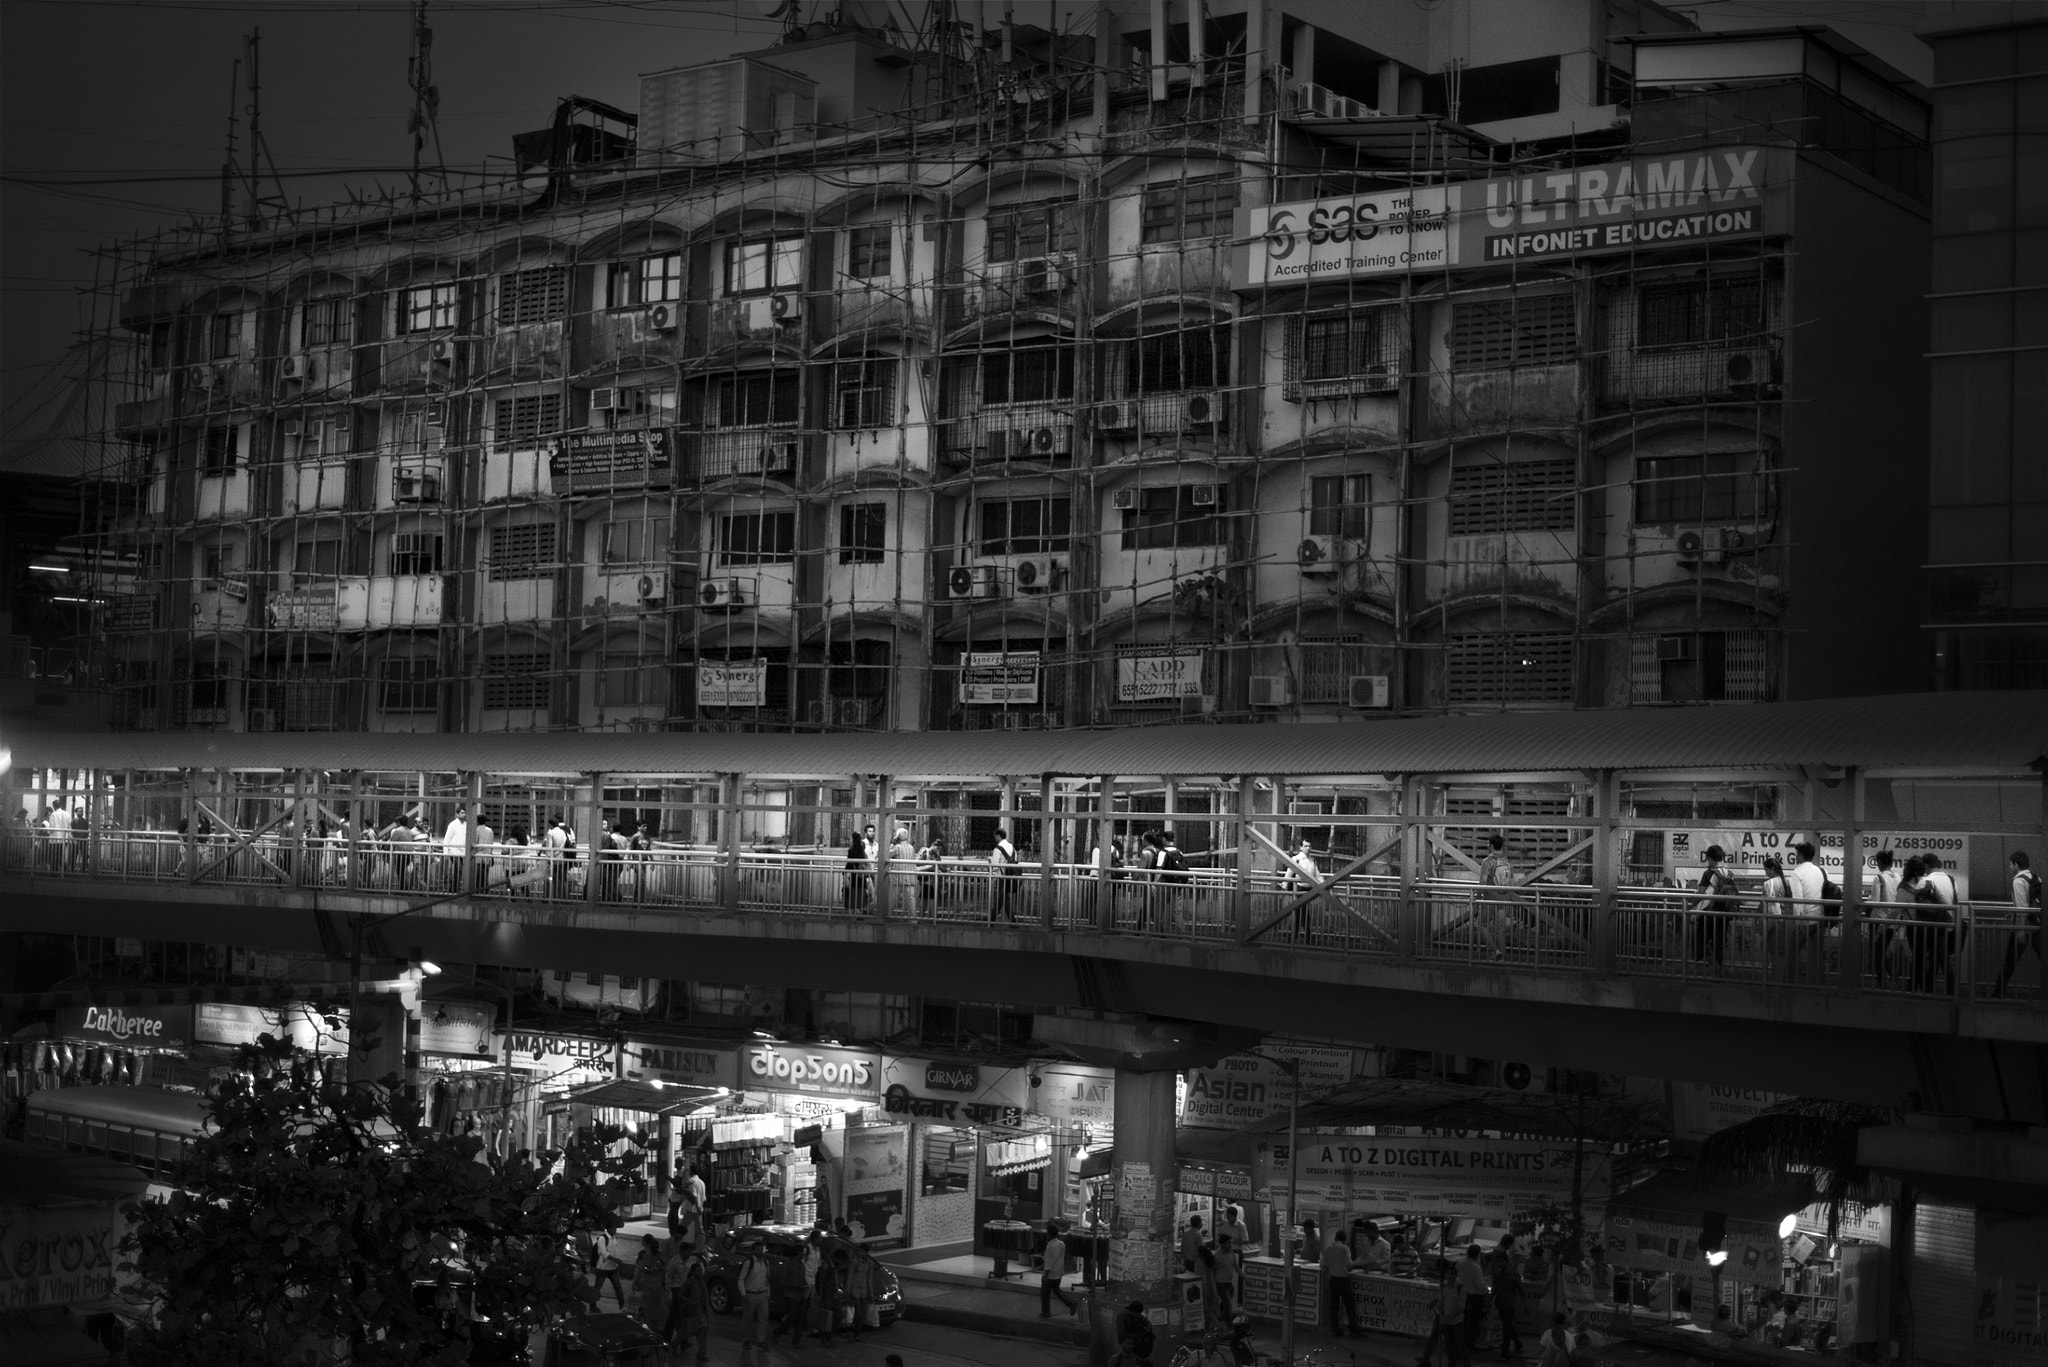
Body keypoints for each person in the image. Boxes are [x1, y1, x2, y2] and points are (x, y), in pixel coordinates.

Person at [1996, 850, 2042, 997]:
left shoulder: (2018, 880)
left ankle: (1998, 993)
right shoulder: (2036, 878)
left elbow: (2022, 907)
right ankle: (1998, 991)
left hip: (2024, 927)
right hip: (2038, 926)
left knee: (2010, 962)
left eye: (2010, 864)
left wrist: (2020, 930)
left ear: (2016, 865)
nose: (2010, 867)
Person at [1690, 845, 1736, 975]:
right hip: (1725, 912)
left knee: (1698, 941)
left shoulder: (1709, 873)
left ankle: (1713, 964)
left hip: (1710, 912)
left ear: (1709, 858)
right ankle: (1719, 968)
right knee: (1719, 941)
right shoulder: (1729, 873)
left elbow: (1700, 893)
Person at [1418, 1259, 1471, 1367]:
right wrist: (1441, 1313)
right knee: (1445, 1340)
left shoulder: (1460, 1287)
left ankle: (1464, 1363)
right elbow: (1441, 1300)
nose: (1448, 1275)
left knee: (1458, 1341)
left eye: (1451, 1274)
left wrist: (1448, 1317)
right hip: (1443, 1316)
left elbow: (1460, 1306)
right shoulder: (1444, 1286)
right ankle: (1427, 1359)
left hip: (1454, 1318)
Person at [1476, 834, 1516, 960]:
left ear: (1492, 846)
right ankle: (1502, 958)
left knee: (1481, 924)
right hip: (1504, 900)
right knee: (1501, 930)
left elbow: (1482, 881)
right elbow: (1511, 882)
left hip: (1490, 899)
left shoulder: (1488, 862)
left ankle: (1493, 950)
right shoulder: (1507, 862)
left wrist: (1477, 897)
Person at [1489, 1236, 1525, 1358]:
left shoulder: (1502, 1270)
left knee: (1506, 1323)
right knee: (1506, 1323)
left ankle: (1507, 1348)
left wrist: (1491, 1296)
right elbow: (1519, 1288)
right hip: (1506, 1299)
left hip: (1504, 1299)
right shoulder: (1508, 1271)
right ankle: (1513, 1344)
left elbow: (1496, 1281)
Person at [1321, 1231, 1360, 1338]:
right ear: (1344, 1239)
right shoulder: (1345, 1249)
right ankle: (1353, 1330)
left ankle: (1335, 1330)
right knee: (1349, 1305)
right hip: (1343, 1280)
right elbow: (1349, 1265)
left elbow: (1323, 1265)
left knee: (1334, 1306)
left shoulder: (1328, 1249)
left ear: (1336, 1238)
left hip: (1333, 1279)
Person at [1455, 1244, 1492, 1357]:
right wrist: (1485, 1291)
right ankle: (1470, 1346)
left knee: (1463, 1322)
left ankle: (1460, 1345)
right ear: (1478, 1254)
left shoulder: (1459, 1263)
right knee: (1473, 1323)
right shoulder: (1475, 1267)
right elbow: (1479, 1284)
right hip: (1474, 1297)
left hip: (1461, 1296)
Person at [738, 1240, 773, 1353]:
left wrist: (768, 1295)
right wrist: (743, 1294)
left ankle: (761, 1340)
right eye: (758, 1249)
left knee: (764, 1318)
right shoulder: (749, 1263)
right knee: (748, 1319)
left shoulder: (766, 1263)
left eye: (762, 1249)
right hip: (751, 1294)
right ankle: (746, 1340)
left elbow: (767, 1280)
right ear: (753, 1251)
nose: (761, 1252)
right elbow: (741, 1279)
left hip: (762, 1294)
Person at [1285, 837, 1322, 940]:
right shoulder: (1296, 859)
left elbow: (1317, 874)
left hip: (1309, 889)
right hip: (1300, 889)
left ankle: (1294, 936)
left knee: (1300, 913)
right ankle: (1305, 936)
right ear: (1300, 847)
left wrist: (1324, 884)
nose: (1307, 848)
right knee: (1303, 913)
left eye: (1309, 846)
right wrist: (1284, 884)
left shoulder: (1312, 860)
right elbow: (1289, 873)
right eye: (1305, 846)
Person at [1041, 1221, 1079, 1317]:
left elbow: (1049, 1262)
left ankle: (1046, 1312)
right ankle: (1070, 1303)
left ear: (1049, 1234)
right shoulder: (1061, 1244)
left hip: (1050, 1274)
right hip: (1059, 1272)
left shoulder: (1050, 1246)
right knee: (1056, 1290)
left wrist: (1046, 1274)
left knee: (1045, 1293)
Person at [809, 1241, 842, 1346]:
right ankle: (825, 1338)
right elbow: (821, 1282)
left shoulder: (832, 1266)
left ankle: (827, 1336)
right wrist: (821, 1295)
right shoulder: (826, 1266)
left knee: (837, 1315)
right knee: (827, 1317)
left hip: (833, 1294)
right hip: (827, 1295)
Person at [990, 823, 1022, 922]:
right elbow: (1016, 861)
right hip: (1011, 877)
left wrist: (990, 861)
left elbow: (995, 866)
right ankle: (991, 920)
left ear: (998, 836)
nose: (995, 839)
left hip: (1001, 877)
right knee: (1000, 900)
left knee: (1003, 899)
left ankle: (1013, 921)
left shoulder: (997, 849)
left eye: (995, 836)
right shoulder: (1012, 847)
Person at [629, 1235, 666, 1319]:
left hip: (645, 1284)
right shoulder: (661, 1258)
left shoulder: (644, 1255)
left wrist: (634, 1283)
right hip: (656, 1286)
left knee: (641, 1304)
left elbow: (638, 1270)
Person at [916, 826, 947, 916]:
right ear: (933, 845)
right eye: (937, 848)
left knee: (926, 897)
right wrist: (930, 865)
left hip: (932, 879)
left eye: (939, 849)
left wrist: (946, 870)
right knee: (930, 897)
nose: (938, 850)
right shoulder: (925, 851)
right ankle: (930, 916)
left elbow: (939, 866)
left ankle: (923, 916)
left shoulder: (937, 855)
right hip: (924, 878)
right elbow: (917, 863)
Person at [1116, 1299, 1157, 1365]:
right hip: (1129, 1342)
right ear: (1133, 1311)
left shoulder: (1136, 1315)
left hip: (1137, 1344)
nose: (1138, 1315)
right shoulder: (1122, 1317)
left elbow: (1146, 1321)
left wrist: (1148, 1329)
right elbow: (1122, 1333)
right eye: (1137, 1314)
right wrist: (1136, 1336)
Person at [844, 824, 873, 912]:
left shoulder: (851, 849)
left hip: (854, 875)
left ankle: (854, 910)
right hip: (862, 875)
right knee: (861, 892)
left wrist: (845, 872)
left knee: (853, 893)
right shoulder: (863, 849)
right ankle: (861, 909)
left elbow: (849, 863)